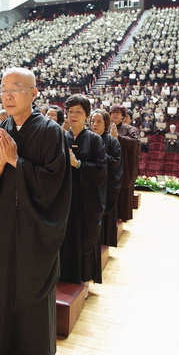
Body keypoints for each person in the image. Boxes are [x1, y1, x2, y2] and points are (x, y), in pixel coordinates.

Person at [0, 67, 71, 355]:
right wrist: (1, 163)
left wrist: (19, 162)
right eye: (3, 89)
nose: (8, 94)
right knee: (1, 284)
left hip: (33, 226)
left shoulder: (50, 132)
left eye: (16, 87)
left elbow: (55, 182)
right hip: (2, 222)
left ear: (34, 92)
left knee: (32, 285)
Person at [59, 94, 107, 285]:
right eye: (70, 111)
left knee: (83, 236)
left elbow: (102, 170)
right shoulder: (61, 138)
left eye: (78, 111)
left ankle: (84, 278)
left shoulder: (95, 141)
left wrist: (78, 164)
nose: (73, 115)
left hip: (86, 199)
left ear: (86, 115)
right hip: (64, 197)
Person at [92, 109, 122, 247]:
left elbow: (116, 163)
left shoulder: (112, 142)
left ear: (106, 124)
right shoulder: (87, 138)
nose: (95, 124)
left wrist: (100, 154)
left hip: (105, 186)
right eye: (92, 121)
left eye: (99, 121)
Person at [109, 104, 140, 222]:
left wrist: (119, 137)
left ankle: (121, 215)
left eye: (118, 113)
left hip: (124, 164)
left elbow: (135, 143)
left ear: (123, 116)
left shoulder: (130, 129)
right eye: (113, 113)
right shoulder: (105, 127)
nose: (115, 115)